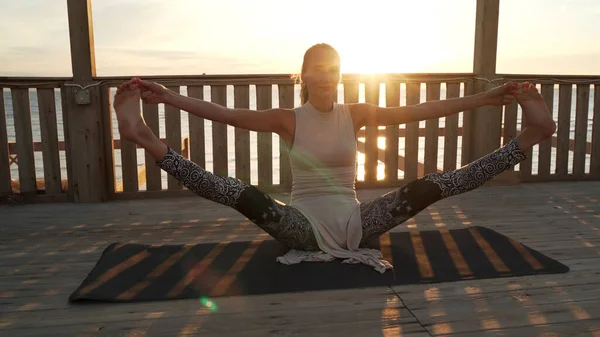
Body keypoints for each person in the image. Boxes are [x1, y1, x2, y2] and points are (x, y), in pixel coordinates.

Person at [113, 43, 556, 273]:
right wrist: (168, 97)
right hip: (300, 227)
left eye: (334, 70)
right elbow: (226, 114)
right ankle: (146, 138)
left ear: (340, 74)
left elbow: (420, 110)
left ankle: (527, 140)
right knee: (240, 194)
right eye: (317, 70)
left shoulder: (356, 114)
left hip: (356, 223)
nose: (326, 78)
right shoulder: (287, 119)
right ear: (303, 74)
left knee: (432, 186)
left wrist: (487, 98)